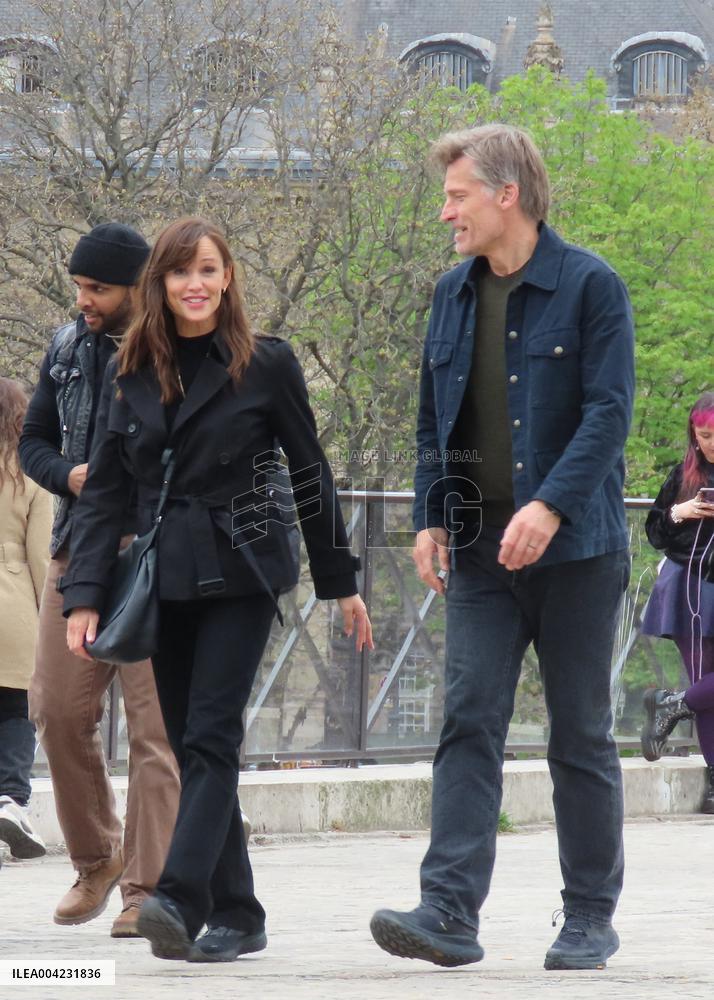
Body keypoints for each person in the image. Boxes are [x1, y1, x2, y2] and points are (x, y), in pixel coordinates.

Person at [62, 217, 373, 963]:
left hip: (243, 572)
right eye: (180, 272)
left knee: (210, 735)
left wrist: (341, 583)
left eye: (207, 269)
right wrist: (84, 595)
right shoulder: (131, 369)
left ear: (228, 277)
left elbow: (310, 473)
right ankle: (239, 911)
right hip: (163, 579)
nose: (195, 284)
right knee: (194, 745)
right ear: (160, 284)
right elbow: (105, 493)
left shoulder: (265, 363)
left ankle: (177, 896)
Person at [369, 125, 635, 972]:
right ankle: (449, 911)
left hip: (577, 553)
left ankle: (589, 915)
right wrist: (430, 515)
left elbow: (610, 412)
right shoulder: (451, 293)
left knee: (579, 734)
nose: (445, 212)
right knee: (468, 721)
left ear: (506, 194)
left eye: (457, 196)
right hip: (481, 552)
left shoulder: (590, 285)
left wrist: (551, 506)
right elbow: (432, 420)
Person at [19, 224, 180, 937]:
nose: (83, 300)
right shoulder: (66, 348)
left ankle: (147, 889)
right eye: (79, 286)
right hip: (76, 549)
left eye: (98, 289)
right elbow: (32, 441)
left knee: (155, 730)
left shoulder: (176, 350)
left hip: (153, 554)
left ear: (136, 287)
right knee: (56, 710)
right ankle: (98, 857)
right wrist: (70, 476)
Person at [640, 392, 714, 814]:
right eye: (705, 435)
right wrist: (679, 512)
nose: (712, 444)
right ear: (694, 435)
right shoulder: (683, 475)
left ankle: (674, 704)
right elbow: (655, 532)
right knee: (706, 679)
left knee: (705, 689)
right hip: (690, 584)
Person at [0, 377, 51, 868]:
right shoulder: (29, 472)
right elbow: (42, 557)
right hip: (12, 604)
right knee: (17, 708)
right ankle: (10, 801)